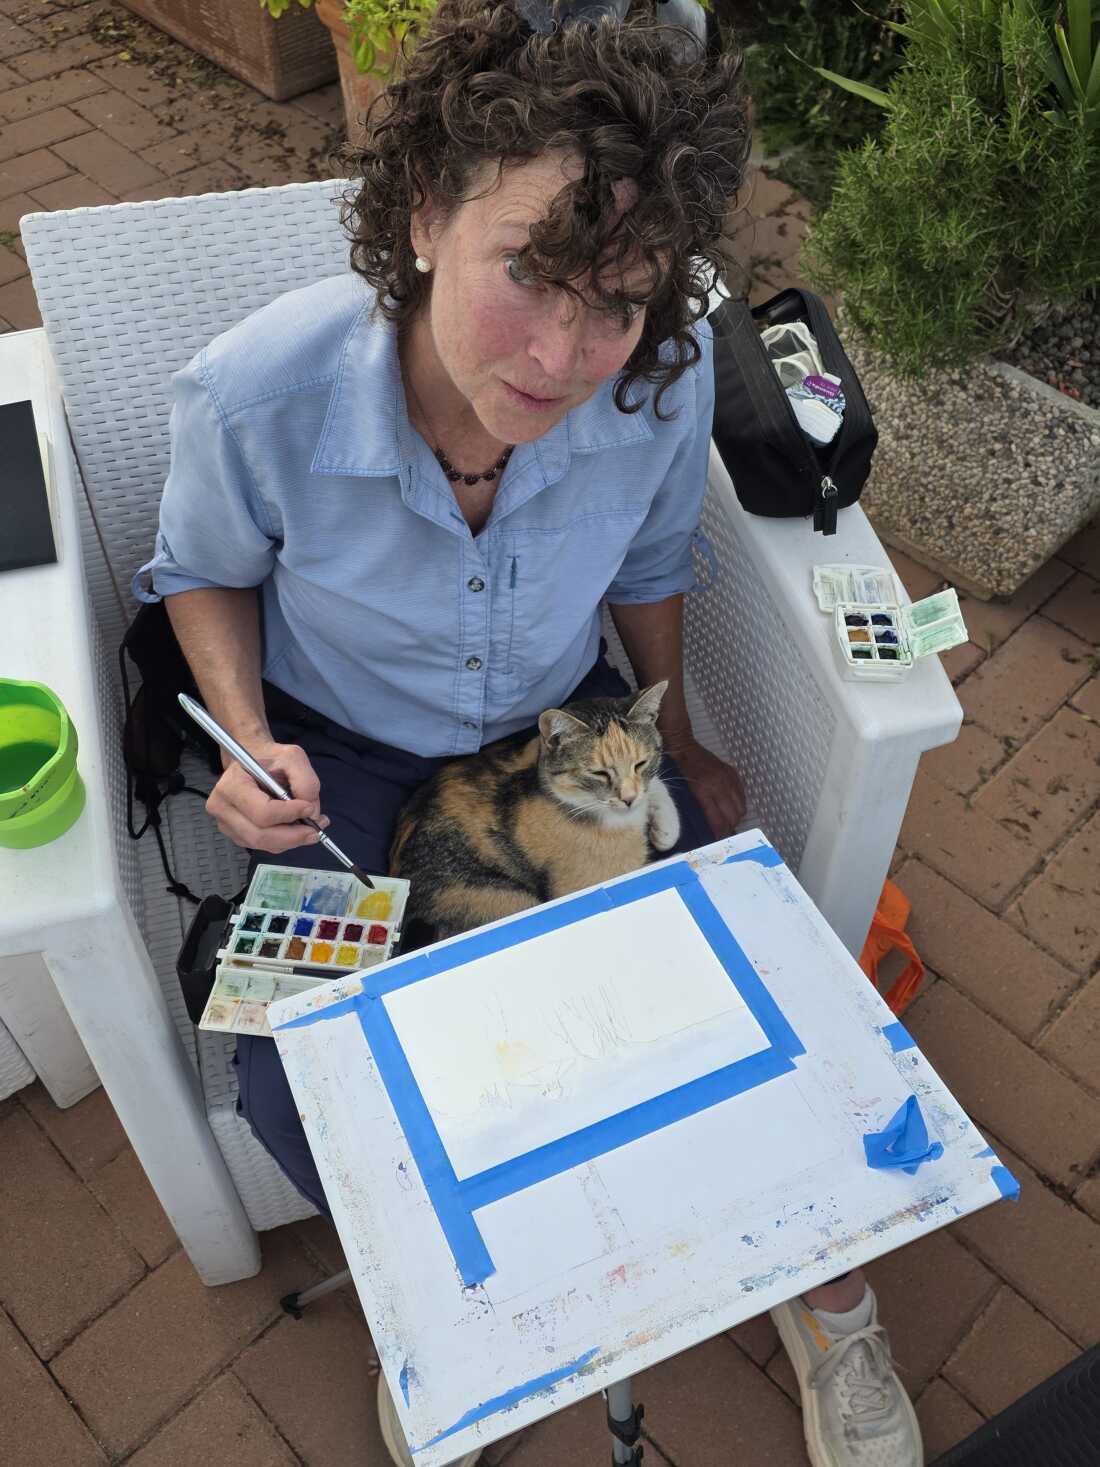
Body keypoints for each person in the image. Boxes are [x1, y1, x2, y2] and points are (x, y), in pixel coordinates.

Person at [134, 2, 922, 1463]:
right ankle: (442, 1301)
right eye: (532, 276)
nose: (566, 356)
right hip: (343, 761)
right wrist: (245, 745)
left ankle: (826, 1284)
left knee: (733, 980)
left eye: (617, 299)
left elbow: (643, 566)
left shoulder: (657, 383)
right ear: (427, 213)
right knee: (283, 1065)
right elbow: (199, 572)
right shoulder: (255, 392)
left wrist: (670, 735)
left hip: (564, 734)